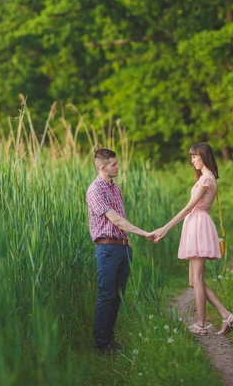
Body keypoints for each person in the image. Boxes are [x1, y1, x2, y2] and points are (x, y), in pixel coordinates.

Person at [150, 142, 233, 335]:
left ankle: (201, 324)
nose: (192, 161)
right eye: (191, 157)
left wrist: (165, 228)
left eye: (195, 157)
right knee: (192, 281)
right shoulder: (205, 178)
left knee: (197, 279)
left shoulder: (206, 179)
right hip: (196, 225)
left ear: (204, 157)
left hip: (198, 226)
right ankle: (226, 315)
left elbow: (189, 207)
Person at [86, 148, 153, 353]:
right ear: (102, 167)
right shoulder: (95, 189)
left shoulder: (115, 188)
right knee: (107, 295)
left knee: (118, 295)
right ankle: (101, 343)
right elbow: (115, 220)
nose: (118, 167)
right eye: (114, 164)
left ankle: (109, 339)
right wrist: (144, 233)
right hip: (106, 249)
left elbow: (120, 219)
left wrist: (128, 242)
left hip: (122, 248)